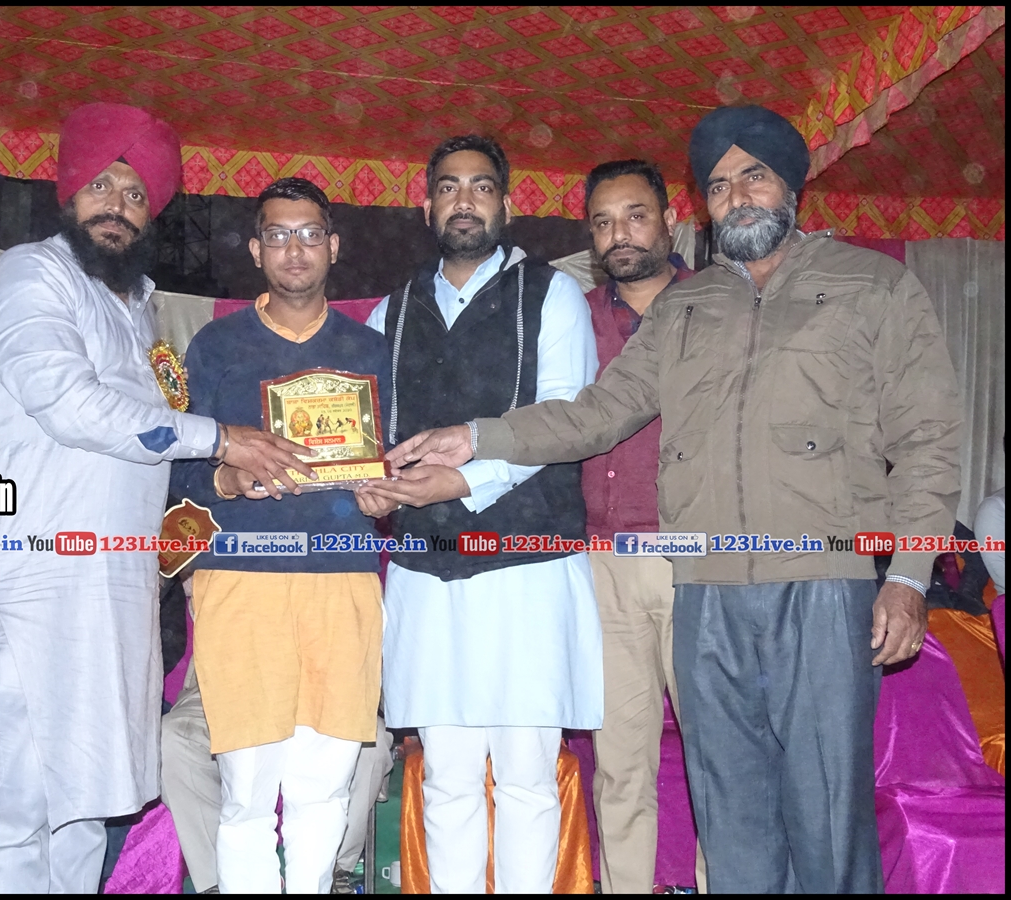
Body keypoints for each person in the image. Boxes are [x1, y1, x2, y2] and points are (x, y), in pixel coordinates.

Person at [388, 106, 962, 894]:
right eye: (719, 187)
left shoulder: (873, 286)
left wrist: (909, 575)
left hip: (824, 584)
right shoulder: (689, 308)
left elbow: (929, 438)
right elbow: (596, 413)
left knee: (827, 809)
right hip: (704, 591)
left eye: (753, 177)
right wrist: (477, 436)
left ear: (792, 187)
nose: (737, 197)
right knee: (730, 813)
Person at [0, 104, 313, 894]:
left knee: (87, 807)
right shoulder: (32, 275)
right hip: (34, 586)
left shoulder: (137, 307)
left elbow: (147, 450)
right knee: (17, 809)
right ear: (68, 190)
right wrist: (220, 439)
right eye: (102, 185)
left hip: (114, 596)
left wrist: (223, 478)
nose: (118, 205)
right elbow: (72, 406)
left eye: (137, 194)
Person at [355, 136, 602, 893]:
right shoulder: (389, 312)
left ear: (507, 203)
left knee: (527, 776)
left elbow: (563, 420)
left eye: (481, 187)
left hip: (528, 565)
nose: (464, 201)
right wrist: (371, 485)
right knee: (447, 776)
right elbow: (372, 437)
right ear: (426, 206)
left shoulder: (552, 295)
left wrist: (459, 483)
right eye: (449, 187)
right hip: (427, 573)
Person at [169, 177, 390, 892]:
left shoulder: (372, 351)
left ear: (334, 246)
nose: (295, 250)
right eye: (277, 235)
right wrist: (228, 479)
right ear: (256, 250)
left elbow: (400, 464)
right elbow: (174, 475)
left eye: (309, 234)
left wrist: (388, 492)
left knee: (324, 788)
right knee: (247, 794)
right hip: (243, 584)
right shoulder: (215, 347)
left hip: (342, 582)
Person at [576, 159, 705, 893]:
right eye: (602, 222)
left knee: (718, 758)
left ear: (670, 221)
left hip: (700, 561)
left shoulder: (718, 307)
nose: (619, 234)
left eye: (635, 215)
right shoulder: (573, 318)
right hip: (601, 564)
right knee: (620, 763)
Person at [159, 661, 394, 894]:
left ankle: (334, 870)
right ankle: (219, 880)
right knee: (176, 734)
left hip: (324, 679)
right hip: (235, 677)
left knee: (371, 738)